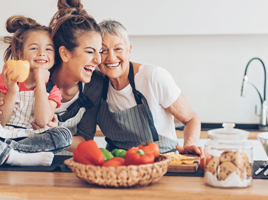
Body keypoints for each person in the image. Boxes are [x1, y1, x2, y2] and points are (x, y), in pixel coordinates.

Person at [97, 20, 203, 156]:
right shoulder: (95, 84)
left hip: (162, 161)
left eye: (118, 49)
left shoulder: (153, 77)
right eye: (103, 50)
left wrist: (189, 145)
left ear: (129, 50)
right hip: (117, 165)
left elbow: (191, 119)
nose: (111, 57)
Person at [31, 0, 104, 152]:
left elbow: (85, 139)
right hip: (29, 163)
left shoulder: (95, 85)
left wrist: (57, 132)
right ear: (64, 53)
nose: (98, 60)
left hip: (69, 166)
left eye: (100, 51)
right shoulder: (36, 78)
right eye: (90, 51)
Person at [0, 15, 72, 166]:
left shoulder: (53, 90)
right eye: (34, 48)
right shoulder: (7, 78)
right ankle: (19, 157)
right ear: (20, 54)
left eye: (48, 48)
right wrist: (12, 91)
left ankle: (11, 153)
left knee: (64, 135)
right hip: (4, 132)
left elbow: (43, 120)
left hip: (31, 138)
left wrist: (40, 82)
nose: (41, 53)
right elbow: (2, 121)